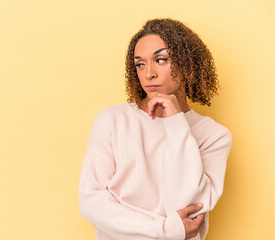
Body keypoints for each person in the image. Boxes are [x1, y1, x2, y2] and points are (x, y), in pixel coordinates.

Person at [78, 18, 232, 240]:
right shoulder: (112, 121)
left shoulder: (214, 136)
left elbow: (184, 206)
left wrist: (176, 123)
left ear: (187, 64)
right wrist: (166, 230)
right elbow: (91, 203)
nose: (148, 73)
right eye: (140, 64)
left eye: (160, 60)